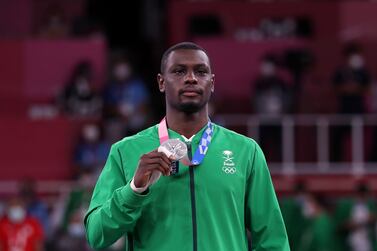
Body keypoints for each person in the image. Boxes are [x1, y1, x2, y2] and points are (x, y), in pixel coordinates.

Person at [84, 42, 290, 251]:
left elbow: (272, 240)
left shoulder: (246, 151)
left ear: (212, 83)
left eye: (201, 72)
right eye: (179, 71)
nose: (191, 78)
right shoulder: (125, 151)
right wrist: (134, 189)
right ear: (161, 82)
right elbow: (96, 235)